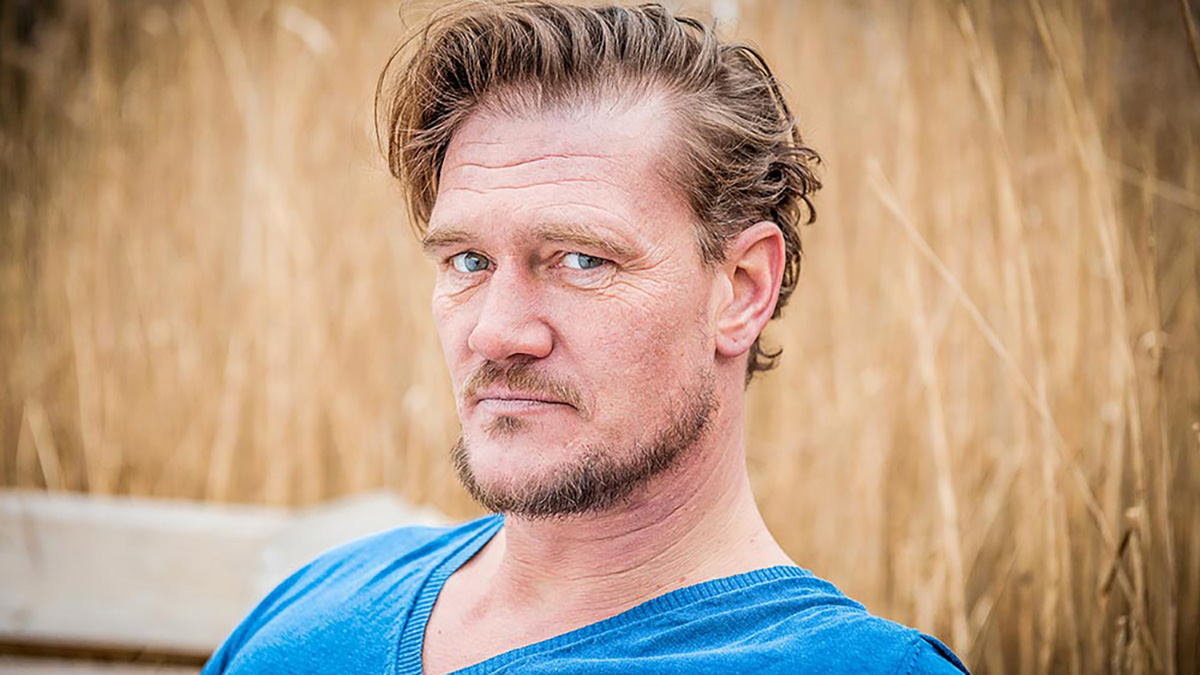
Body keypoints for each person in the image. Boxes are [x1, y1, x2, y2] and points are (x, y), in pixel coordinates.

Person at [201, 2, 970, 673]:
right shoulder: (312, 606)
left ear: (740, 289)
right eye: (468, 260)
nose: (496, 332)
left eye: (580, 260)